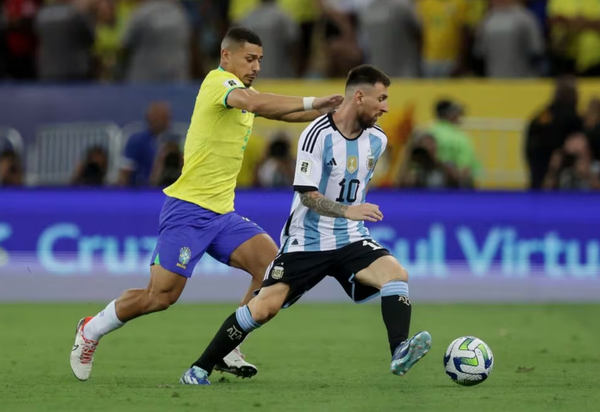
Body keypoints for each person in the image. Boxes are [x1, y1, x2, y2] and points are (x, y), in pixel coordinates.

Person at [70, 27, 343, 382]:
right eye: (250, 58)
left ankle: (229, 346)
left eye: (260, 59)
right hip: (187, 211)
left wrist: (334, 114)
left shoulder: (246, 94)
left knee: (271, 269)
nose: (256, 66)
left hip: (223, 216)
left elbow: (282, 114)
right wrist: (314, 101)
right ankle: (91, 329)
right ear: (226, 56)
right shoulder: (219, 84)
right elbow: (258, 104)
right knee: (161, 296)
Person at [179, 65, 432, 386]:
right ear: (359, 97)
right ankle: (200, 368)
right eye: (381, 99)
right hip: (307, 241)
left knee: (396, 275)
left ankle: (400, 351)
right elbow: (308, 195)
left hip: (351, 239)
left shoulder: (377, 140)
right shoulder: (317, 134)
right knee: (263, 309)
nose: (385, 107)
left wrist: (349, 218)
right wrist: (347, 211)